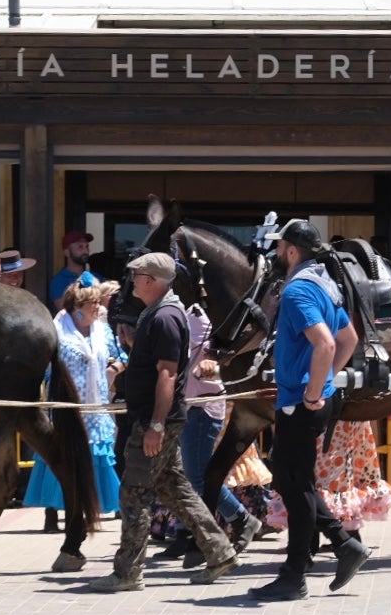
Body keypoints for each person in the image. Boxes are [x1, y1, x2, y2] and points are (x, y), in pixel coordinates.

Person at [86, 252, 238, 593]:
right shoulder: (159, 314)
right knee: (177, 490)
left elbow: (167, 375)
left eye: (137, 275)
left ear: (151, 281)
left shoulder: (165, 317)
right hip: (158, 419)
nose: (132, 281)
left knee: (134, 493)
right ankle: (220, 552)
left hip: (157, 421)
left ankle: (128, 571)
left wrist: (155, 426)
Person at [248, 219, 369, 602]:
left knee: (295, 485)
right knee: (290, 477)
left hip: (301, 403)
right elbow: (348, 338)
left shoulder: (299, 289)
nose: (277, 253)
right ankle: (341, 542)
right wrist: (326, 385)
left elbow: (327, 345)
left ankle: (295, 574)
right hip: (311, 400)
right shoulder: (325, 285)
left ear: (292, 251)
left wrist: (314, 392)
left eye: (280, 247)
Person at [160, 301, 262, 564]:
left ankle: (239, 520)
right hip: (189, 405)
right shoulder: (182, 313)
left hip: (203, 406)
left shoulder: (202, 317)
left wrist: (208, 365)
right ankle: (232, 523)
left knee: (198, 478)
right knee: (196, 476)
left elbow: (216, 358)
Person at [24, 280, 123, 530]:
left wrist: (114, 369)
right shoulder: (57, 332)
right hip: (66, 406)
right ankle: (52, 511)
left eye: (99, 302)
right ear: (78, 306)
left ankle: (88, 506)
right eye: (94, 303)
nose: (98, 307)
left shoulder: (103, 331)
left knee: (94, 457)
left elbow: (123, 353)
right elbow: (44, 367)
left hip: (95, 405)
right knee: (61, 454)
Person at [49, 230, 98, 308]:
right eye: (80, 247)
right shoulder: (59, 281)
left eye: (87, 246)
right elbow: (66, 310)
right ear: (67, 252)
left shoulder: (96, 277)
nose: (86, 251)